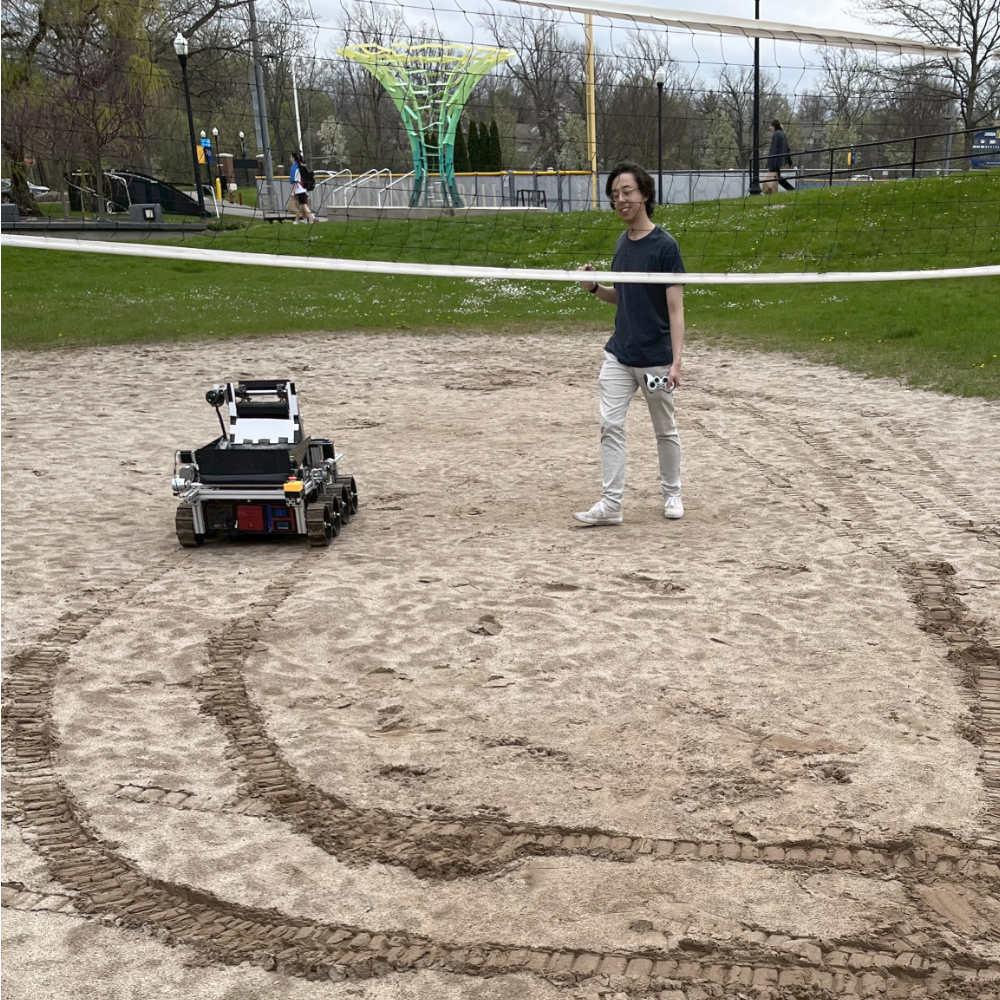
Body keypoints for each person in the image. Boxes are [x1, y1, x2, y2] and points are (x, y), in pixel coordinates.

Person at [574, 161, 686, 527]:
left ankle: (672, 493)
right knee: (610, 424)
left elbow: (675, 308)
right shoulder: (622, 243)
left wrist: (677, 361)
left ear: (645, 195)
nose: (620, 199)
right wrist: (593, 288)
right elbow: (623, 297)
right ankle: (611, 504)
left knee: (664, 429)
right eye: (615, 194)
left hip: (655, 357)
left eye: (626, 192)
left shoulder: (665, 246)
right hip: (619, 355)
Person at [289, 151, 322, 223]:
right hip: (303, 189)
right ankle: (299, 220)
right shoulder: (300, 166)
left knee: (304, 205)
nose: (290, 158)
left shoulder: (295, 167)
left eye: (291, 157)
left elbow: (296, 181)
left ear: (293, 158)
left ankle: (312, 218)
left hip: (300, 190)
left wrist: (293, 192)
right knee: (302, 206)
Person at [766, 120, 795, 192]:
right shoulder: (782, 134)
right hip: (779, 160)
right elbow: (787, 148)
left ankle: (791, 189)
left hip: (775, 161)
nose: (770, 128)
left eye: (771, 126)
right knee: (776, 177)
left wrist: (771, 162)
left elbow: (774, 149)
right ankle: (790, 190)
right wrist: (789, 160)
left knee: (775, 177)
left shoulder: (776, 134)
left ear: (774, 126)